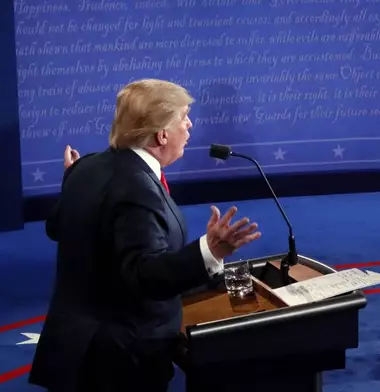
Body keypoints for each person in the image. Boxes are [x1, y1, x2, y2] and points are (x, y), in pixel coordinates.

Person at [29, 79, 262, 392]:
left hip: (77, 347)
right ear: (161, 134)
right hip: (120, 362)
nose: (190, 124)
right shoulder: (138, 187)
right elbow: (145, 275)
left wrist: (74, 186)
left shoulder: (85, 167)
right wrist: (210, 251)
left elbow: (56, 227)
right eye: (183, 117)